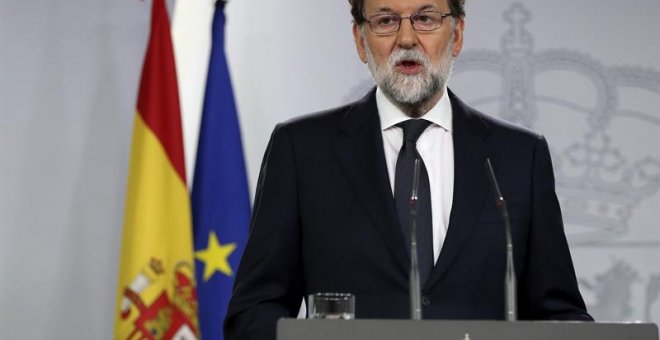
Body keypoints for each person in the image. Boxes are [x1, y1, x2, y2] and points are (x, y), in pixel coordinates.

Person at [224, 0, 593, 338]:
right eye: (385, 21)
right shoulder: (302, 150)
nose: (406, 38)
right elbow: (254, 310)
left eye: (426, 18)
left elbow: (559, 313)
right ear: (359, 39)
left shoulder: (518, 156)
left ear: (458, 33)